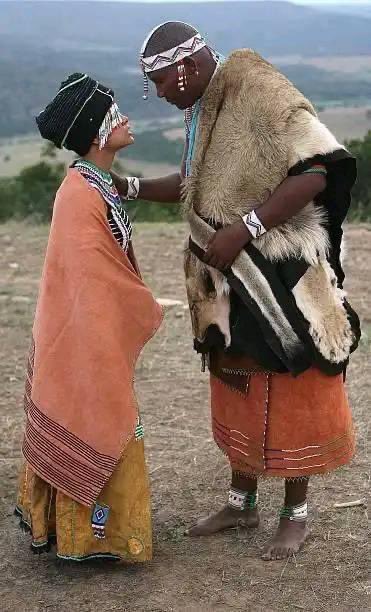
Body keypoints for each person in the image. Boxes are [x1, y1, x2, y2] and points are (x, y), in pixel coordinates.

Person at [112, 22, 361, 561]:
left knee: (294, 379)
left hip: (281, 271)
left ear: (186, 67)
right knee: (236, 378)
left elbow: (317, 170)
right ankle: (241, 500)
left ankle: (295, 513)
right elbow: (193, 184)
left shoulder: (258, 87)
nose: (157, 93)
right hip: (225, 278)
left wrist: (244, 229)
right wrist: (126, 187)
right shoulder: (203, 106)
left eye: (159, 80)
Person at [15, 73, 163, 562]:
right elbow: (85, 279)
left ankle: (93, 531)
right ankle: (93, 535)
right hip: (83, 334)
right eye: (117, 116)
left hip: (94, 331)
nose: (126, 121)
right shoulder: (79, 193)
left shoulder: (95, 184)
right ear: (97, 134)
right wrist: (135, 303)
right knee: (101, 413)